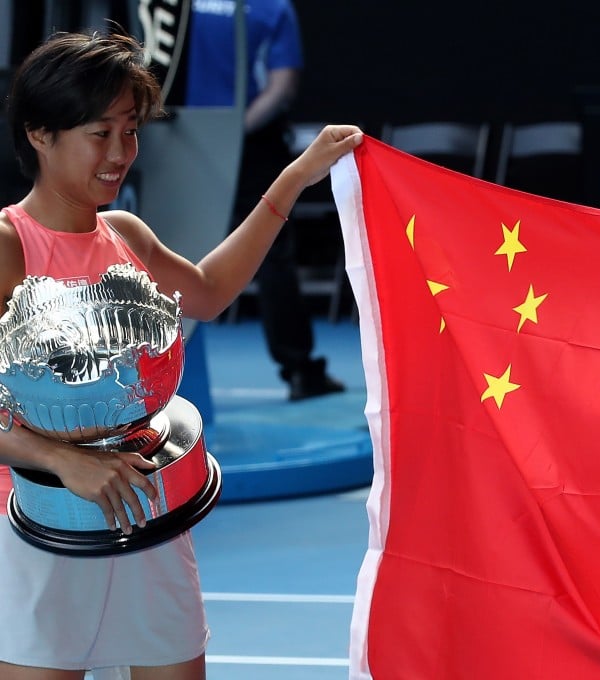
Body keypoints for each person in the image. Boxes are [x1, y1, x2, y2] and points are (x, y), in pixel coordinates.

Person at [0, 29, 361, 678]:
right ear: (39, 133)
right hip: (35, 527)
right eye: (99, 133)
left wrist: (294, 178)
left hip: (148, 515)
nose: (120, 153)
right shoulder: (8, 245)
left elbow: (212, 291)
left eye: (130, 131)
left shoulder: (126, 234)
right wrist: (63, 461)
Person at [184, 0, 346, 400]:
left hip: (181, 141)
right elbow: (282, 85)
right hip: (248, 141)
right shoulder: (274, 9)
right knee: (269, 249)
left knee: (168, 243)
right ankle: (299, 370)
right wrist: (235, 132)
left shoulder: (178, 6)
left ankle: (146, 372)